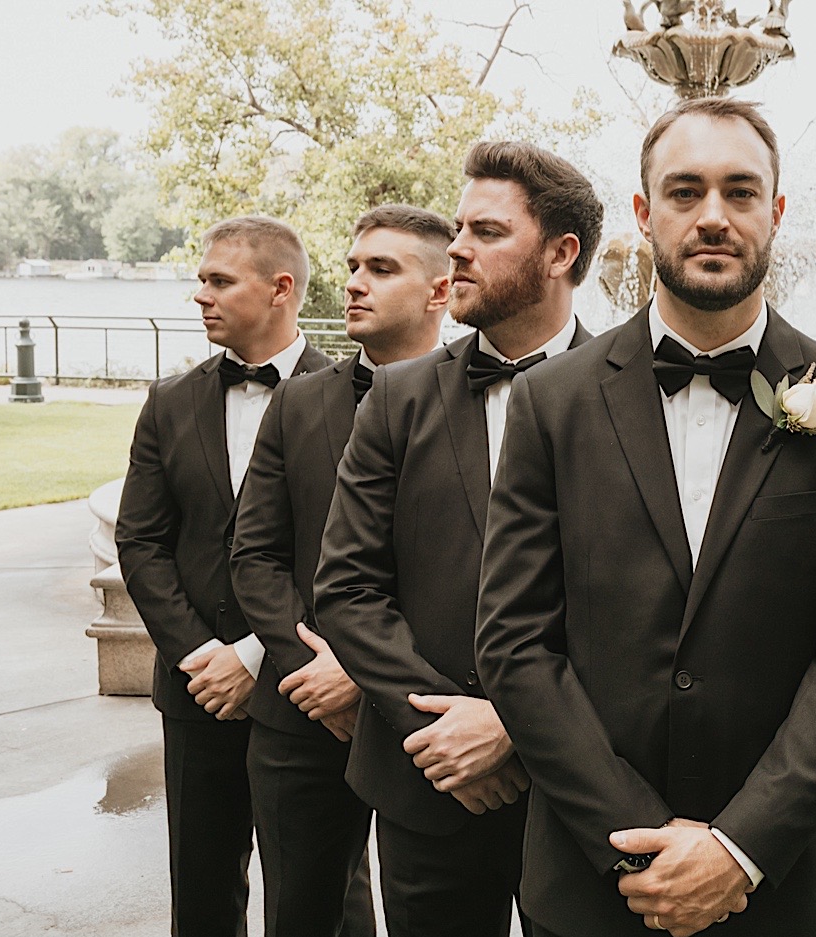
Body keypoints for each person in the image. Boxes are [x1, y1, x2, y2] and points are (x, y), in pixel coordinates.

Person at [474, 97, 816, 937]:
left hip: (778, 884)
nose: (713, 216)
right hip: (589, 879)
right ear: (644, 213)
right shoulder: (549, 401)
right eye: (684, 192)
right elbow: (515, 643)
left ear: (777, 212)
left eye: (740, 192)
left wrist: (737, 846)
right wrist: (637, 840)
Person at [313, 142, 602, 937]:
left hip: (581, 789)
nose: (458, 248)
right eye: (457, 227)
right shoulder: (398, 398)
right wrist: (440, 726)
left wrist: (514, 724)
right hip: (424, 780)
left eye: (485, 231)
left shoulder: (631, 392)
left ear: (560, 253)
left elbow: (645, 603)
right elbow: (345, 588)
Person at [230, 205, 455, 936]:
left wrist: (364, 672)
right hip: (299, 715)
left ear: (440, 291)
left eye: (381, 269)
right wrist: (311, 672)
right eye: (354, 265)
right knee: (299, 916)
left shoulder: (482, 401)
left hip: (423, 717)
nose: (354, 283)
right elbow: (256, 554)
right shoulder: (298, 400)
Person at [116, 216, 333, 936]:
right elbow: (142, 540)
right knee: (202, 890)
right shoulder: (169, 400)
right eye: (201, 280)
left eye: (218, 280)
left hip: (309, 691)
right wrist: (202, 654)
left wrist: (255, 653)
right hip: (195, 691)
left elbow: (350, 556)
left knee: (323, 897)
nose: (200, 295)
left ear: (281, 288)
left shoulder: (360, 396)